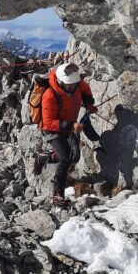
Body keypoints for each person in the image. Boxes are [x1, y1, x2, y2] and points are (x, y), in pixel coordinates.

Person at [33, 62, 97, 207]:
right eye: (68, 85)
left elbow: (86, 91)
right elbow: (48, 122)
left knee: (74, 156)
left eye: (73, 84)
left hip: (69, 125)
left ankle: (44, 157)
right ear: (60, 80)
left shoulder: (76, 83)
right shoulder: (50, 95)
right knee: (65, 158)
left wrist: (89, 105)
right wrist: (71, 125)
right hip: (52, 130)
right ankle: (58, 195)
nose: (71, 87)